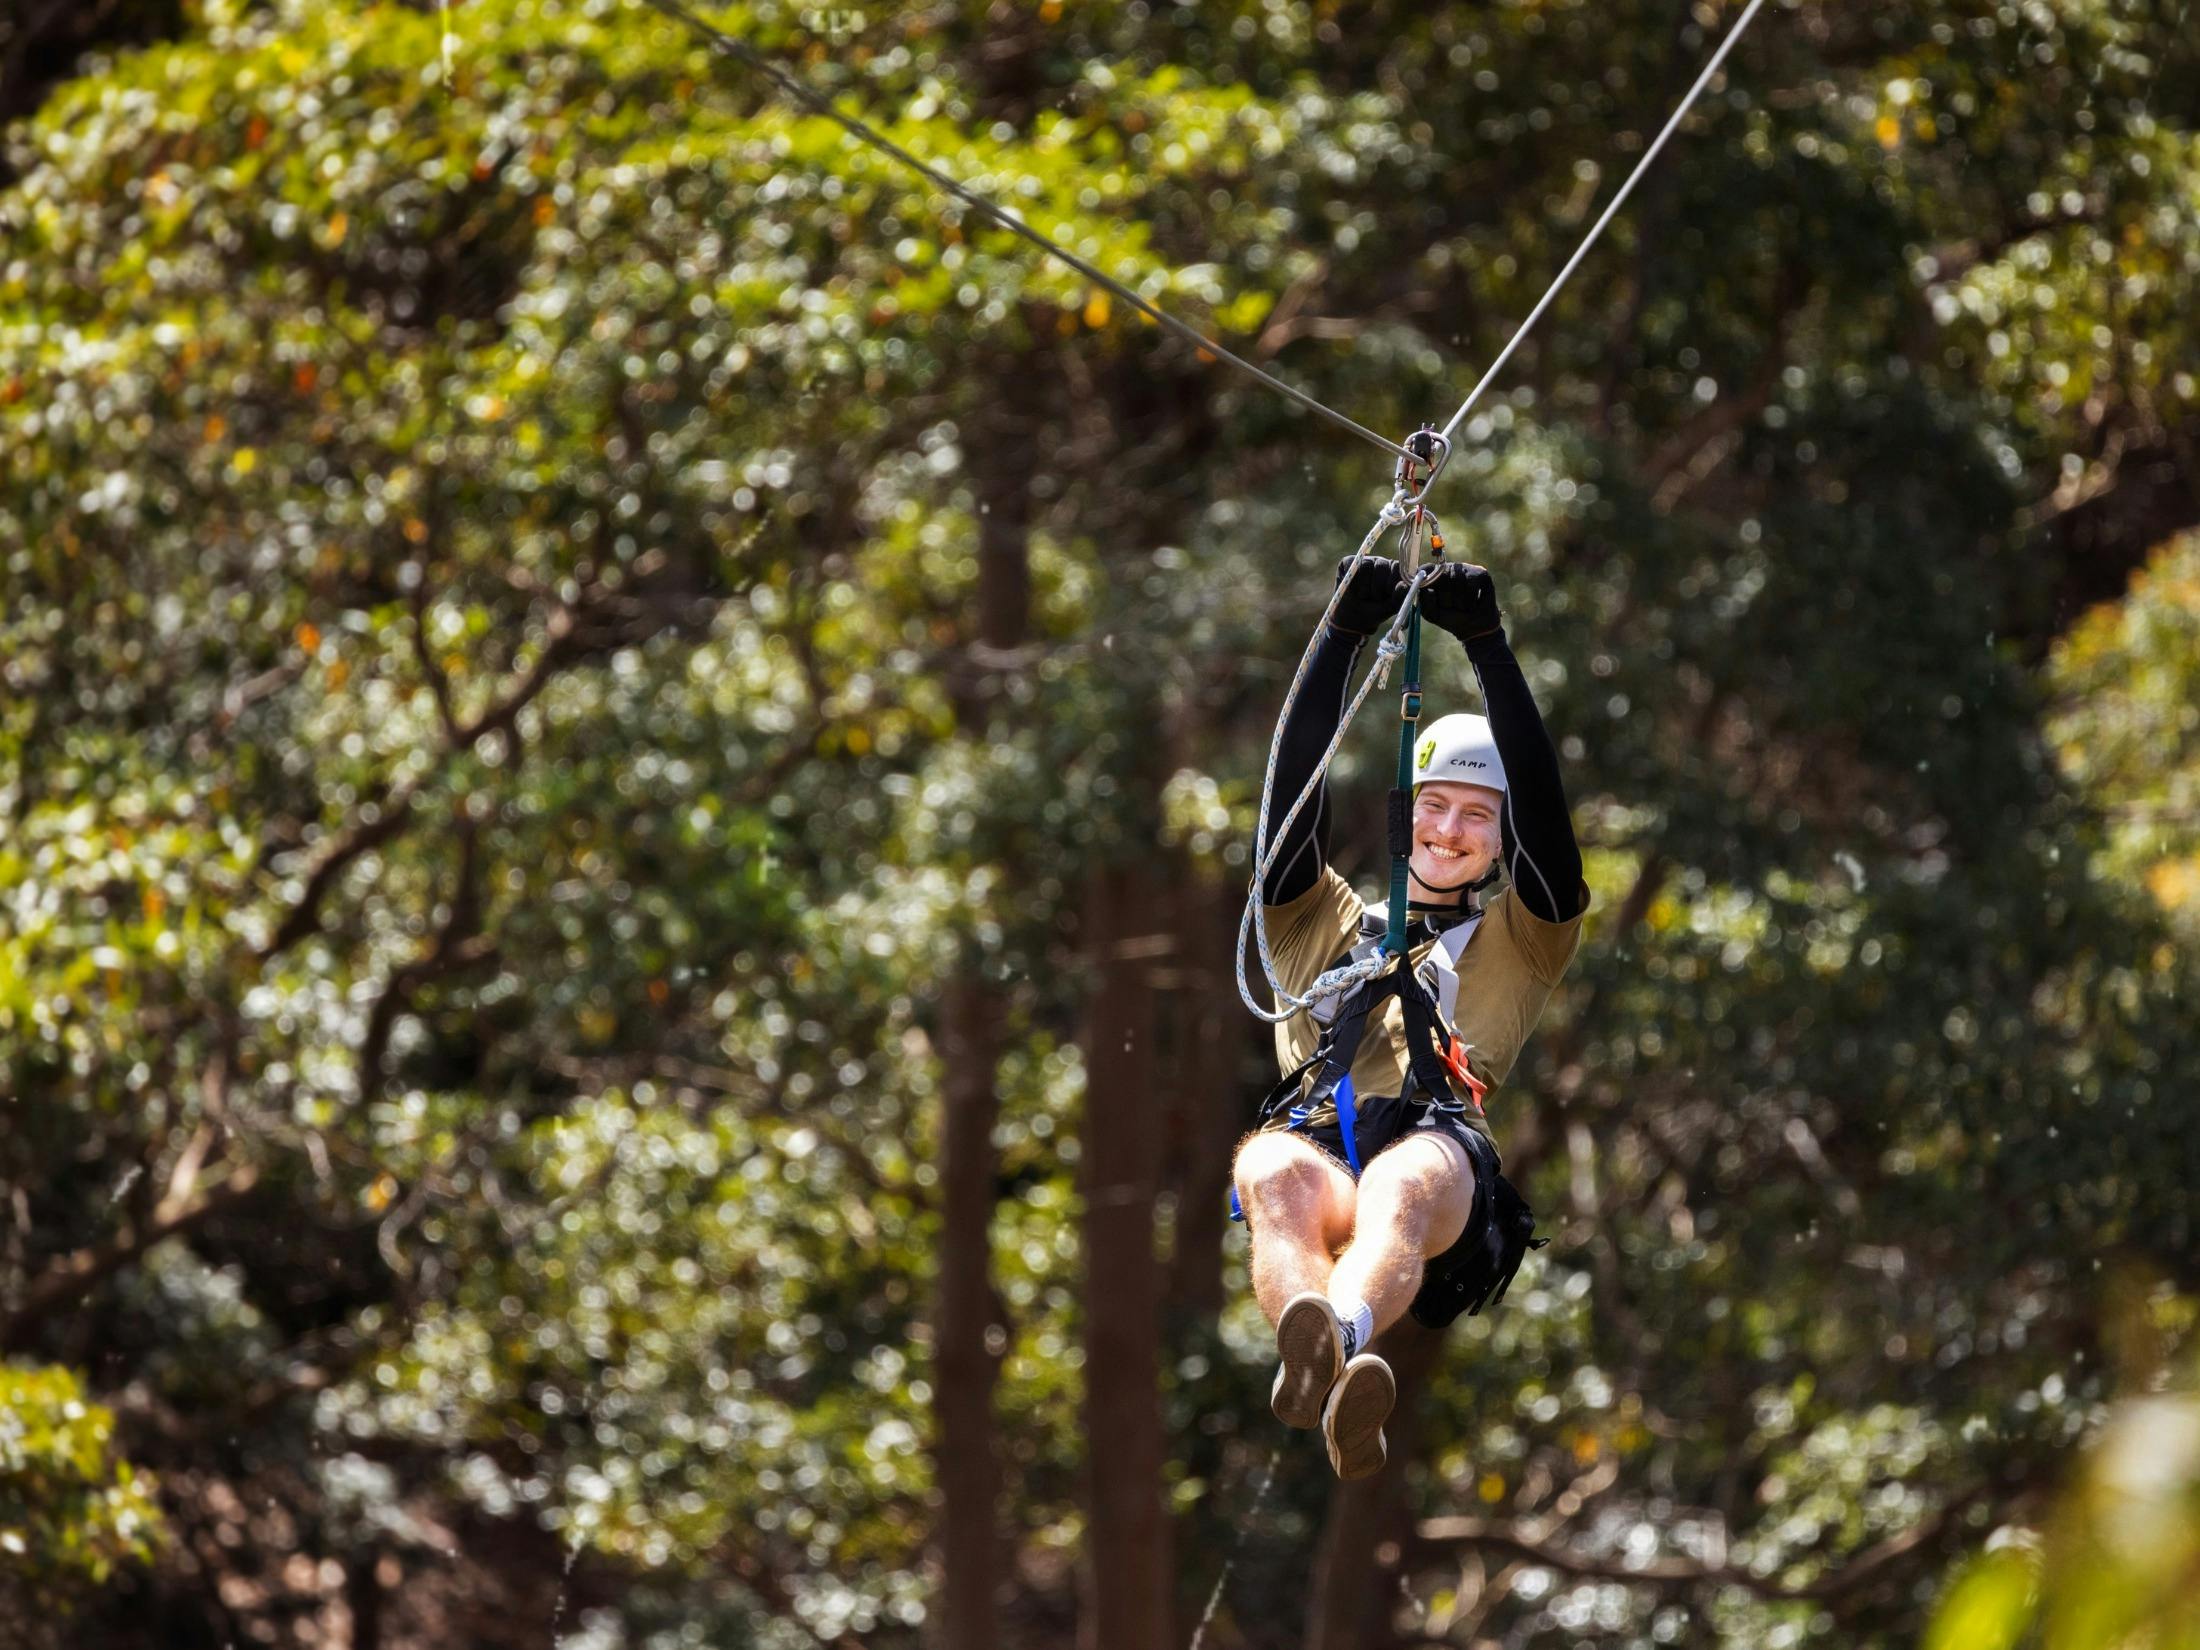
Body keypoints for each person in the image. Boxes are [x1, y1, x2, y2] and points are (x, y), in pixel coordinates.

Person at [1234, 553, 1588, 1480]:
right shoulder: (1321, 922)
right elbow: (1289, 806)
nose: (1450, 830)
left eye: (1480, 816)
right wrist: (1340, 637)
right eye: (1435, 804)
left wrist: (1488, 647)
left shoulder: (1525, 937)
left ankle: (1341, 1334)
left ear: (1500, 842)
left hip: (1438, 1159)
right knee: (1269, 1166)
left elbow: (1551, 833)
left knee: (1404, 1181)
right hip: (1322, 1139)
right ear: (1405, 814)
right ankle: (1320, 1354)